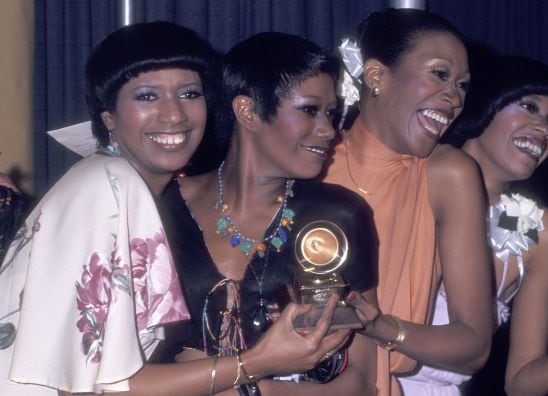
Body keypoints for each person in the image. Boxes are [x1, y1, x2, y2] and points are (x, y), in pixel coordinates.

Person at [0, 23, 347, 396]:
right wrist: (260, 362)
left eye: (189, 93)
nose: (174, 115)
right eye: (147, 97)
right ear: (108, 118)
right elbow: (93, 388)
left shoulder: (127, 191)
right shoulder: (106, 184)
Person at [156, 32, 378, 395]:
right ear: (248, 111)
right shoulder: (160, 207)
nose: (328, 131)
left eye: (331, 114)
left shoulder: (338, 215)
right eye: (310, 110)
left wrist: (257, 388)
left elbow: (360, 382)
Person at [403, 55, 548, 396]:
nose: (545, 129)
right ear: (487, 105)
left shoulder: (544, 233)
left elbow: (521, 385)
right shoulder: (411, 183)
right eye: (529, 107)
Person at [323, 8, 494, 396]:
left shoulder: (448, 173)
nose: (453, 97)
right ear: (377, 76)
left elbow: (473, 346)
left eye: (463, 85)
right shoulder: (312, 157)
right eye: (439, 73)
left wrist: (377, 325)